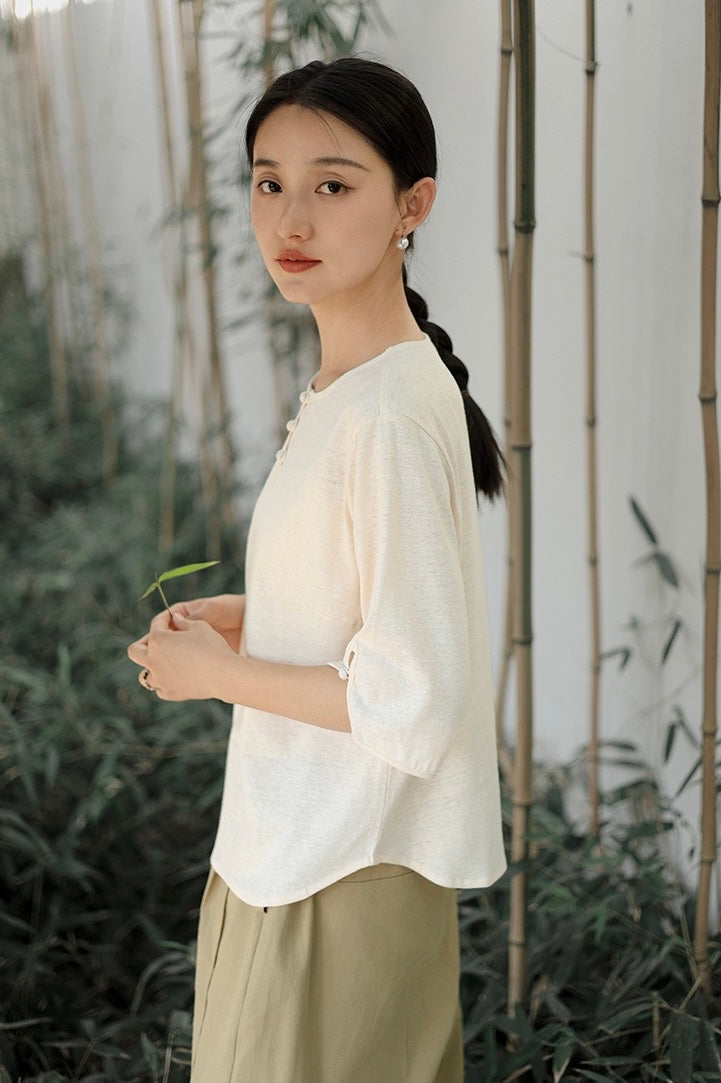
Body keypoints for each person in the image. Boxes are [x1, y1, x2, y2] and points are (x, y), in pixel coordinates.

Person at [128, 57, 507, 1083]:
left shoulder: (383, 415)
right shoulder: (357, 385)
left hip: (336, 867)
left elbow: (411, 703)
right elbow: (381, 601)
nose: (290, 219)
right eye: (269, 182)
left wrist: (219, 674)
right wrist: (257, 615)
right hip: (299, 849)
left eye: (332, 185)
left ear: (412, 206)